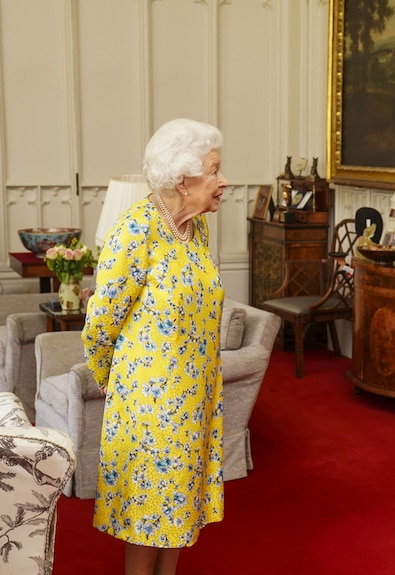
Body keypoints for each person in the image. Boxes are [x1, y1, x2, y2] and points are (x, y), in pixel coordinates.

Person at [82, 118, 229, 575]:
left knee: (178, 509)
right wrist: (117, 383)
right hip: (149, 402)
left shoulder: (196, 230)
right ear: (183, 180)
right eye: (214, 171)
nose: (224, 182)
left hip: (194, 396)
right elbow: (99, 324)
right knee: (149, 517)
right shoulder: (135, 230)